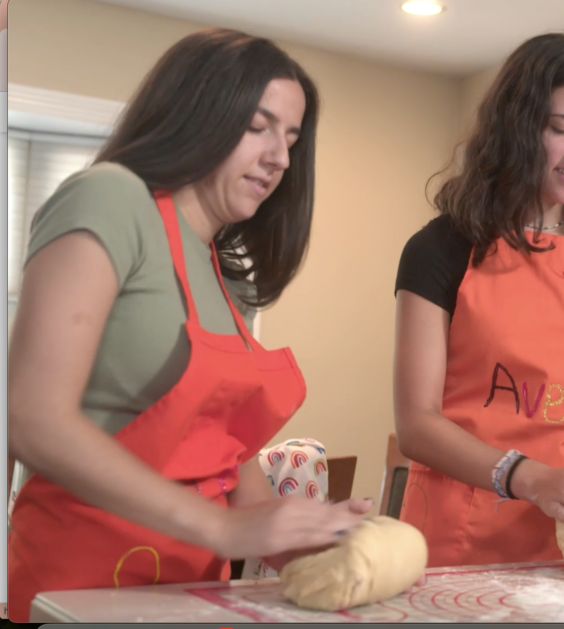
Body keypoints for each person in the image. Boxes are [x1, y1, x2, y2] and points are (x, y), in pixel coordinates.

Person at [7, 29, 372, 622]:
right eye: (259, 126)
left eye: (291, 137)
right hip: (79, 587)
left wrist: (308, 540)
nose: (280, 156)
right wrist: (222, 530)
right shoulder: (110, 198)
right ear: (198, 112)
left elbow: (228, 461)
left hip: (187, 598)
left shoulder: (221, 272)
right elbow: (34, 420)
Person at [393, 32, 564, 569]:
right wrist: (529, 477)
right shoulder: (441, 249)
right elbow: (417, 424)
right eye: (561, 129)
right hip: (460, 539)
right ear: (516, 127)